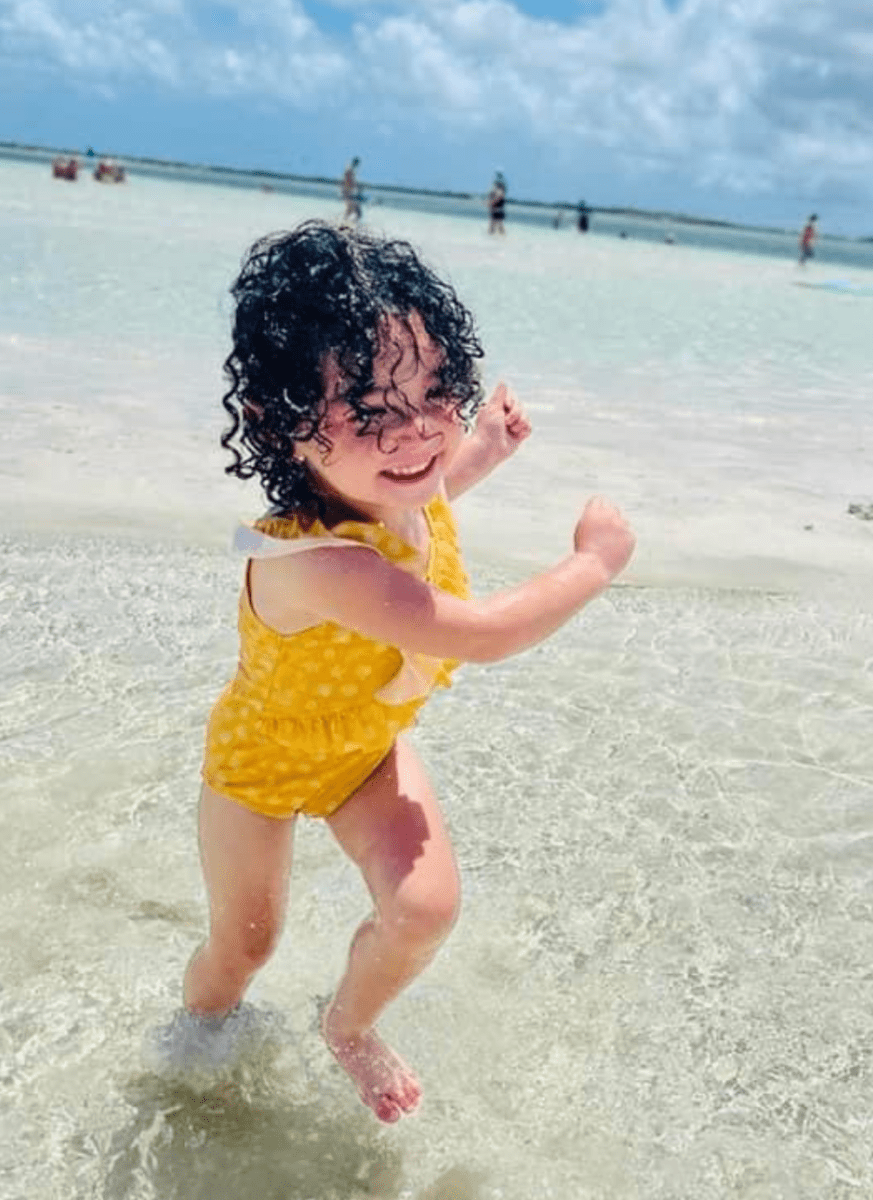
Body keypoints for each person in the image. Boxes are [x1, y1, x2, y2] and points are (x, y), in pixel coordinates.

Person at [176, 220, 635, 1124]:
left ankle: (347, 1024)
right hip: (261, 768)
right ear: (277, 420)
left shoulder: (398, 482)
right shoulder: (326, 569)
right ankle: (193, 1033)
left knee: (424, 909)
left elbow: (422, 495)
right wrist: (595, 563)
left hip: (363, 745)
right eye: (372, 412)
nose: (418, 432)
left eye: (435, 390)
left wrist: (484, 453)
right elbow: (486, 632)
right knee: (245, 945)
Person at [341, 157, 362, 223]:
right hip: (349, 194)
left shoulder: (350, 170)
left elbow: (349, 183)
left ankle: (345, 223)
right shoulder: (350, 171)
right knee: (358, 213)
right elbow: (348, 183)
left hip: (349, 194)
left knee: (350, 211)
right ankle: (349, 224)